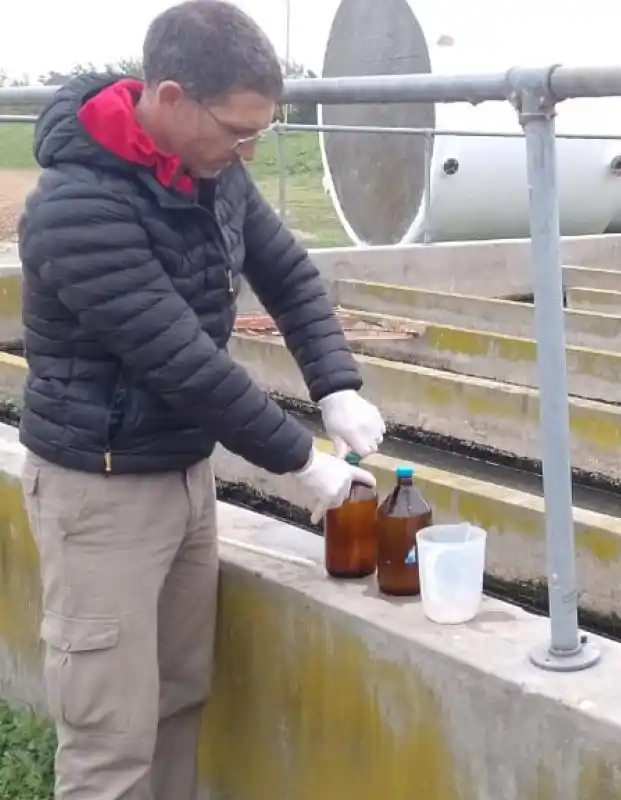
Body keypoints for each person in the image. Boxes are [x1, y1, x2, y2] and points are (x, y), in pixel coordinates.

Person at [16, 1, 386, 797]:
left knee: (179, 699)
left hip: (184, 475)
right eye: (237, 129)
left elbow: (286, 272)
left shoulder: (211, 170)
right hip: (101, 494)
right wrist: (302, 463)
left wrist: (337, 383)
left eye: (261, 131)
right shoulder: (77, 208)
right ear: (172, 98)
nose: (249, 148)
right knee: (109, 738)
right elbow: (180, 361)